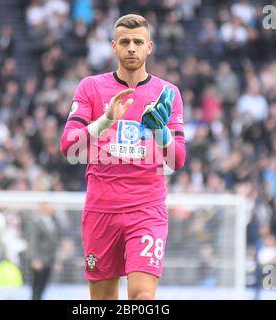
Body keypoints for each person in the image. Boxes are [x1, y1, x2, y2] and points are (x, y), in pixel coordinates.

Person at [60, 14, 186, 300]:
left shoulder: (168, 94)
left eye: (138, 42)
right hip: (101, 211)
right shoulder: (90, 88)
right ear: (113, 46)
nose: (132, 48)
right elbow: (68, 146)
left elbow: (177, 160)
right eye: (126, 42)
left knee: (142, 297)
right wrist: (106, 119)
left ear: (149, 47)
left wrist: (160, 131)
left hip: (146, 210)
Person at [29, 202, 60, 300]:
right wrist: (35, 259)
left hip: (49, 260)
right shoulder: (36, 222)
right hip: (40, 260)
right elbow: (33, 241)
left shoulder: (53, 222)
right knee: (37, 286)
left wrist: (56, 260)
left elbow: (55, 243)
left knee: (44, 285)